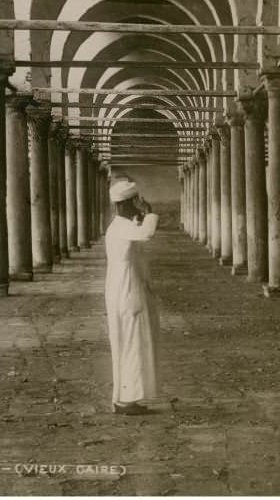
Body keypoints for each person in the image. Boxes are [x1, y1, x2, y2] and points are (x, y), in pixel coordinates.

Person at [104, 178, 160, 415]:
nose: (139, 204)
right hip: (127, 287)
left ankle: (129, 397)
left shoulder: (121, 225)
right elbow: (147, 234)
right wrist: (150, 213)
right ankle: (128, 400)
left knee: (132, 339)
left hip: (126, 283)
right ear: (126, 203)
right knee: (132, 340)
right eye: (136, 201)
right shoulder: (121, 227)